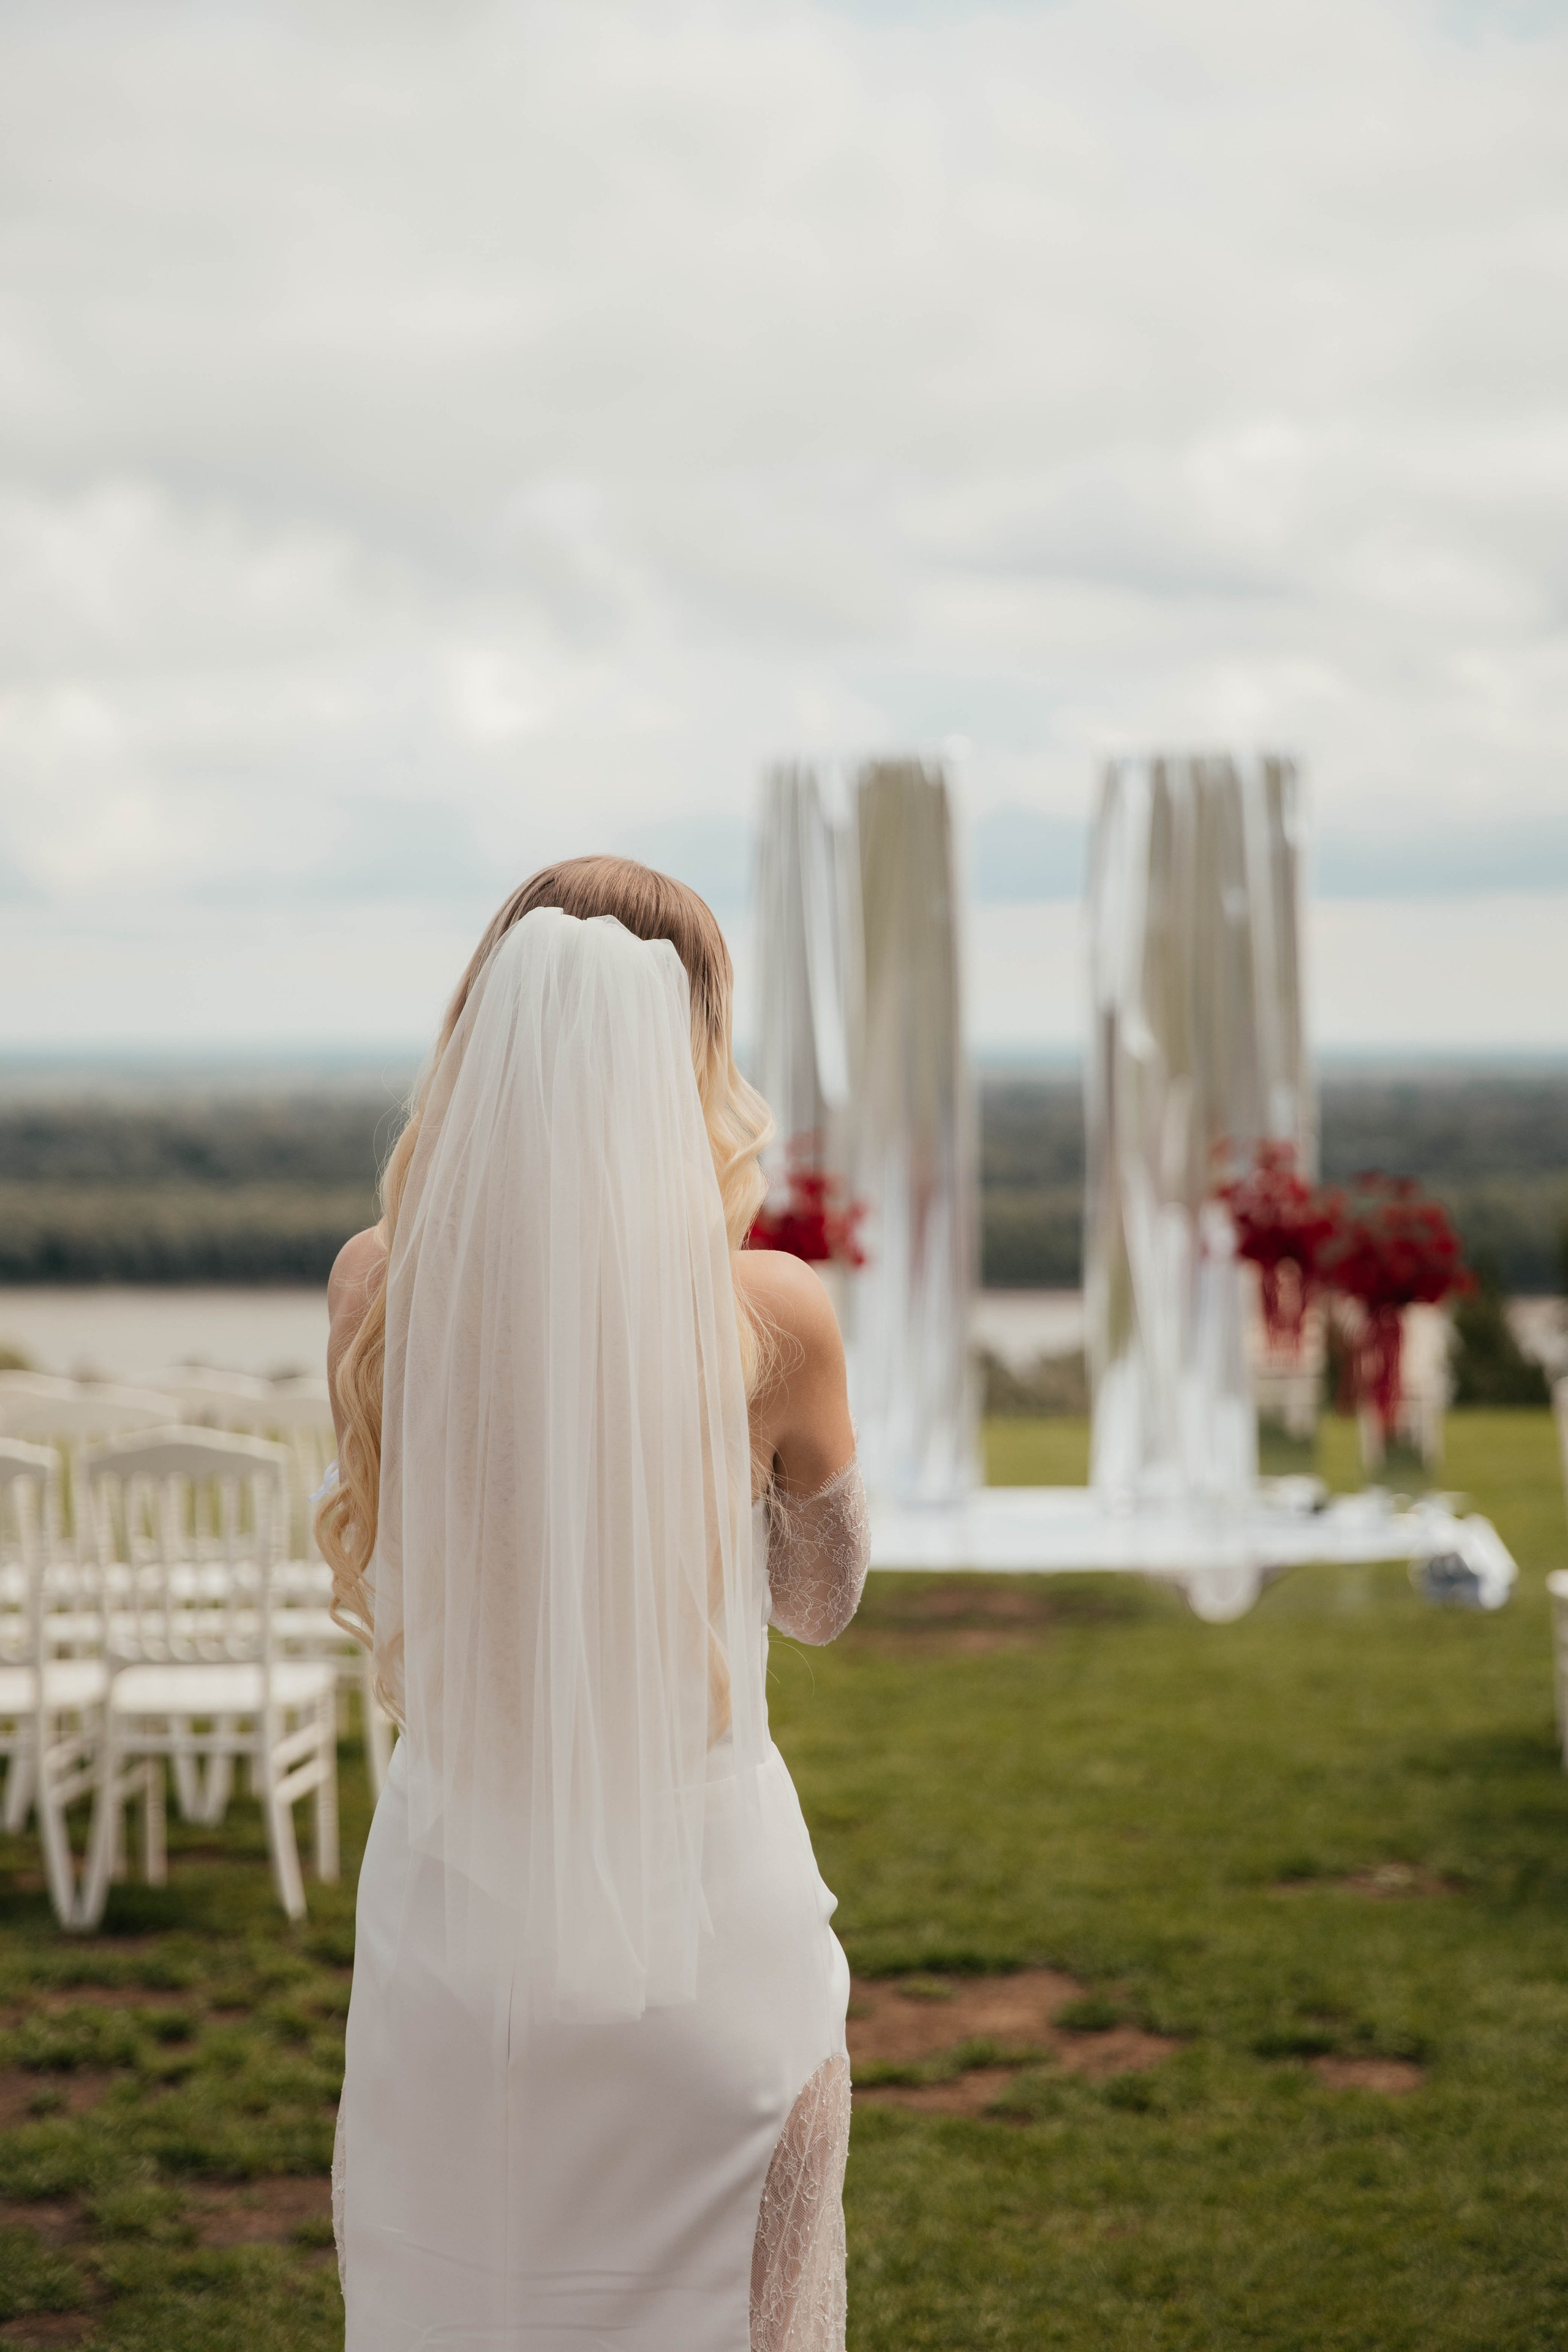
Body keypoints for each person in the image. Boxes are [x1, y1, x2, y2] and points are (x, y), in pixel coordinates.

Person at [317, 856, 870, 2352]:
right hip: (709, 1941)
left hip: (453, 1937)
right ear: (691, 1046)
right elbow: (819, 1604)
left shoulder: (376, 1289)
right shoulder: (774, 1315)